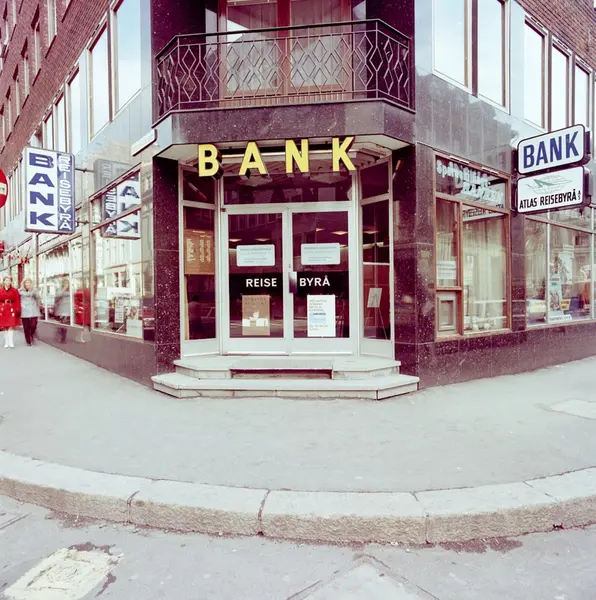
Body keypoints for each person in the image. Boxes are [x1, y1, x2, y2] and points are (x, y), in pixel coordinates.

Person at [0, 276, 21, 348]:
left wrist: (18, 309)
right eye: (6, 280)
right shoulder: (0, 290)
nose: (8, 282)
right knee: (4, 326)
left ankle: (11, 342)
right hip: (3, 309)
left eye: (9, 280)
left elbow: (17, 300)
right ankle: (6, 342)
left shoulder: (15, 290)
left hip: (12, 308)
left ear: (11, 281)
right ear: (3, 281)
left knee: (11, 325)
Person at [19, 278, 41, 346]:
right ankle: (28, 341)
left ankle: (32, 334)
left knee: (33, 325)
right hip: (24, 309)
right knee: (26, 327)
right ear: (24, 283)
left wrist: (34, 291)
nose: (27, 283)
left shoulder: (34, 290)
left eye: (29, 282)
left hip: (33, 309)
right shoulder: (20, 291)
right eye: (26, 282)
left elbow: (38, 298)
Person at [54, 278, 71, 344]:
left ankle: (63, 335)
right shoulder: (60, 290)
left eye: (67, 283)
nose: (66, 284)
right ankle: (63, 337)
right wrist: (64, 288)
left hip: (68, 308)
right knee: (63, 323)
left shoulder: (71, 290)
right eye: (65, 283)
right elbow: (58, 295)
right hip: (62, 308)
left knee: (65, 324)